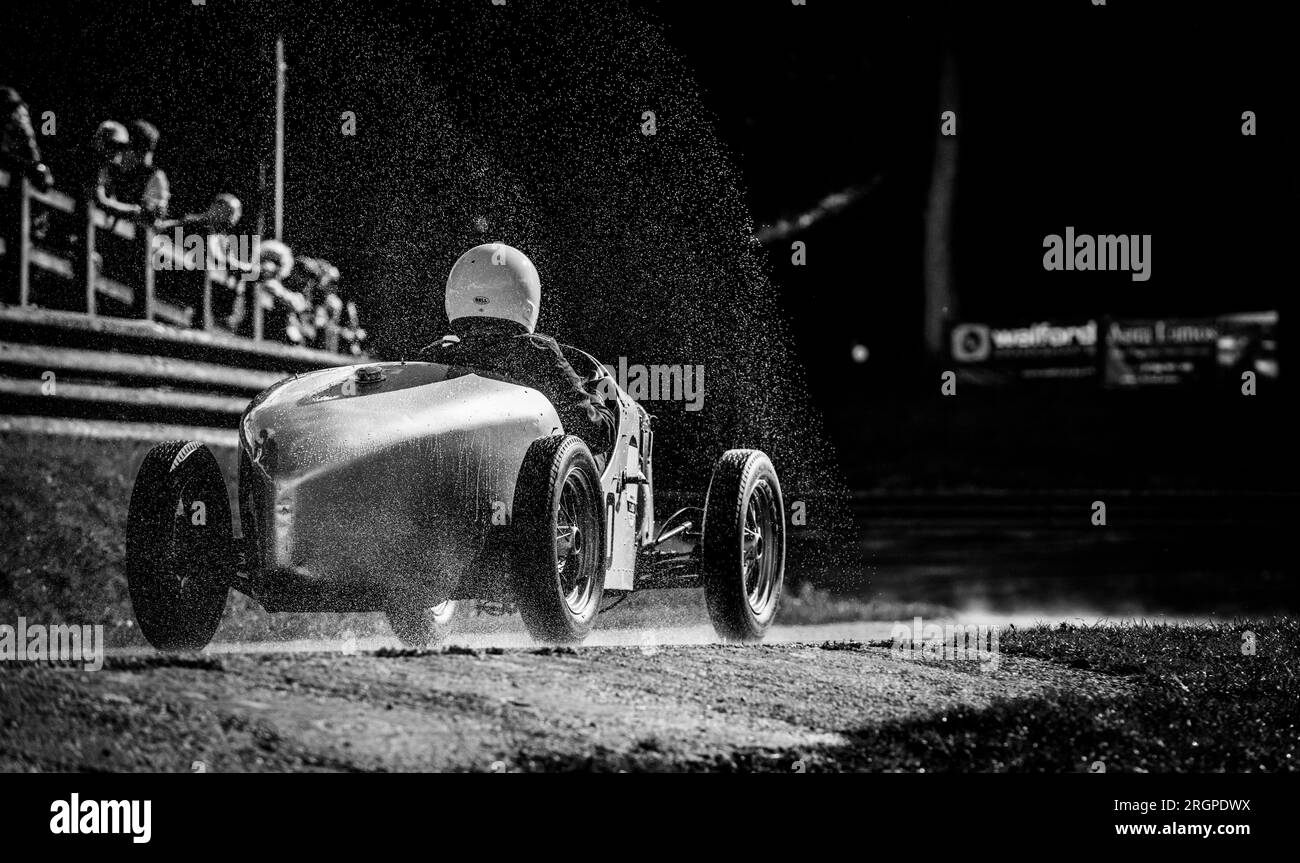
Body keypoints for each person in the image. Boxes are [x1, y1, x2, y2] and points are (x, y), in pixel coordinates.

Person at [423, 243, 613, 455]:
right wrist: (595, 394)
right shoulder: (539, 354)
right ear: (526, 299)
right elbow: (597, 437)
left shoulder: (435, 354)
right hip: (522, 480)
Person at [98, 119, 169, 224]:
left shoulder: (156, 177)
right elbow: (98, 200)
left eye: (146, 153)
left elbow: (150, 217)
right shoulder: (110, 167)